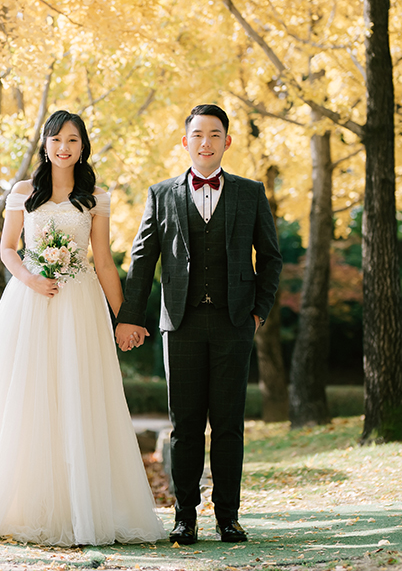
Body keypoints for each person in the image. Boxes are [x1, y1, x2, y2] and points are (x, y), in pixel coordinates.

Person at [0, 110, 166, 547]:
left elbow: (102, 261)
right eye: (57, 139)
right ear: (45, 143)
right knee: (25, 397)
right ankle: (18, 502)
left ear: (83, 148)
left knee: (79, 395)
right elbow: (8, 249)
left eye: (74, 141)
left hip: (80, 307)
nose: (65, 147)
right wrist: (31, 279)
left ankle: (81, 507)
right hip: (30, 303)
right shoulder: (23, 192)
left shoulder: (95, 198)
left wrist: (125, 318)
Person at [114, 104, 283, 545]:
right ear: (185, 142)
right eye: (197, 135)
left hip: (233, 324)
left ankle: (228, 516)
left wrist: (258, 311)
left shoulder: (250, 193)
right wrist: (130, 318)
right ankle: (184, 517)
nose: (205, 143)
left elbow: (270, 257)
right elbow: (141, 260)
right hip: (181, 324)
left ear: (227, 142)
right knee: (185, 425)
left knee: (229, 424)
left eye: (214, 135)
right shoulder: (161, 194)